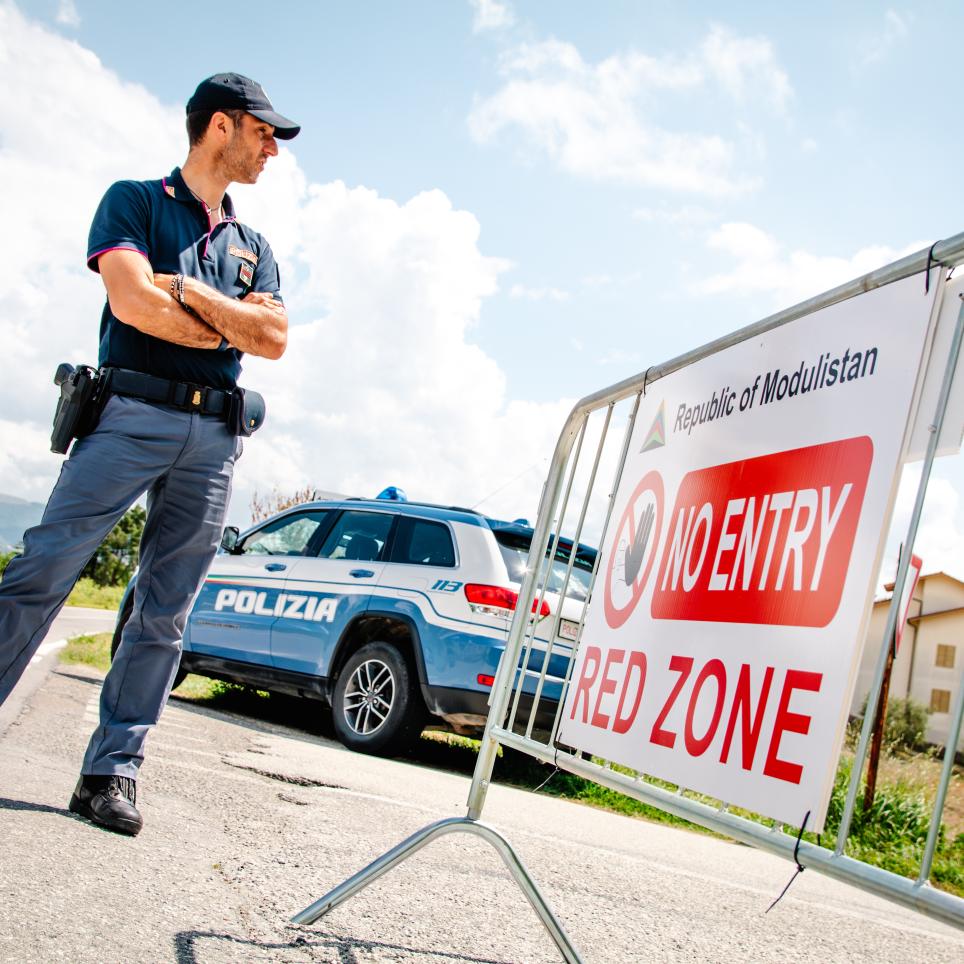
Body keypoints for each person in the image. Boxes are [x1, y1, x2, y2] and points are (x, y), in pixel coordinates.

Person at [0, 73, 298, 835]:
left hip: (214, 439)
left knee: (164, 614)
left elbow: (272, 339)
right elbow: (132, 302)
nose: (272, 148)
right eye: (263, 131)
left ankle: (111, 774)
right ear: (221, 126)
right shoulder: (132, 200)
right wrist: (225, 321)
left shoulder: (253, 245)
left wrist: (191, 295)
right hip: (128, 414)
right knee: (40, 574)